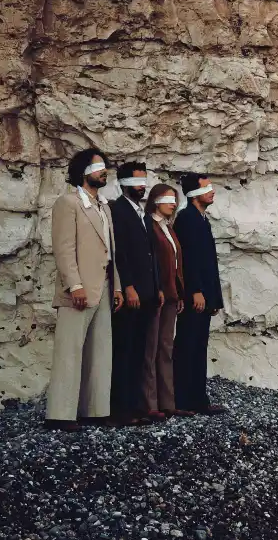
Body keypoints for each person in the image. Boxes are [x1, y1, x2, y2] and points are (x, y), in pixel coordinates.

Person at [46, 148, 124, 432]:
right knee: (70, 351)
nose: (104, 171)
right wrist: (74, 285)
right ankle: (60, 414)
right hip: (78, 288)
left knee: (100, 351)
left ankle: (94, 410)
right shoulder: (67, 203)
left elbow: (109, 250)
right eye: (98, 167)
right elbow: (64, 249)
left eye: (105, 167)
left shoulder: (104, 206)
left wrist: (116, 286)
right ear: (83, 172)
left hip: (103, 286)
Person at [109, 161, 163, 425]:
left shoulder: (140, 213)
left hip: (148, 292)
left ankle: (135, 406)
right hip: (132, 293)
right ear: (123, 184)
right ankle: (121, 410)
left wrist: (156, 287)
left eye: (144, 182)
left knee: (140, 351)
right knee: (125, 351)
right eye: (136, 183)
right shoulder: (117, 210)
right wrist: (127, 285)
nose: (142, 187)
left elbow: (150, 254)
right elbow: (120, 253)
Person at [172, 173, 227, 415]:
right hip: (195, 296)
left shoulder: (201, 219)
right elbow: (188, 261)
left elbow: (209, 263)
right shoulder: (186, 219)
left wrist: (213, 297)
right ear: (194, 193)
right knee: (187, 345)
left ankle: (197, 398)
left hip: (204, 296)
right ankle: (182, 399)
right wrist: (194, 291)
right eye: (207, 187)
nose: (212, 191)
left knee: (198, 346)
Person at [143, 183, 194, 418]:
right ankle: (149, 404)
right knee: (150, 348)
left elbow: (176, 264)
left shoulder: (168, 228)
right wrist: (158, 289)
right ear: (155, 200)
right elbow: (150, 262)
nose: (173, 203)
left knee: (166, 348)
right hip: (157, 296)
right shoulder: (149, 226)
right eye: (167, 198)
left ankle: (168, 403)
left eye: (175, 199)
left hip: (172, 296)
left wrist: (180, 292)